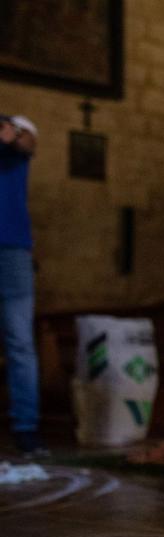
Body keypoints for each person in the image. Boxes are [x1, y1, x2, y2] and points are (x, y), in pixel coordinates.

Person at [0, 113, 46, 459]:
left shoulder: (15, 127)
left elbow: (28, 142)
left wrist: (11, 131)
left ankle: (26, 429)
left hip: (12, 251)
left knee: (19, 342)